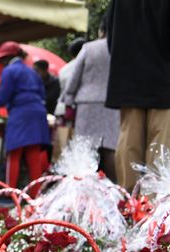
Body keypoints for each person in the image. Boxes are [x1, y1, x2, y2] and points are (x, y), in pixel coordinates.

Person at [106, 0, 170, 190]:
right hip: (164, 79)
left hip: (128, 77)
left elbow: (111, 38)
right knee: (161, 145)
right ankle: (154, 207)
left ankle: (130, 204)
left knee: (129, 143)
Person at [0, 42, 50, 194]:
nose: (2, 64)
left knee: (14, 154)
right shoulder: (33, 72)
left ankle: (9, 194)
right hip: (38, 114)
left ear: (9, 58)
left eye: (3, 60)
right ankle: (35, 197)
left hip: (21, 115)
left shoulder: (10, 71)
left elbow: (2, 98)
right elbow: (42, 95)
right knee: (33, 156)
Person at [62, 15, 119, 181]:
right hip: (113, 104)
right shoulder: (121, 48)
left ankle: (84, 190)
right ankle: (114, 189)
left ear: (101, 30)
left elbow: (74, 77)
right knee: (110, 148)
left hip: (87, 104)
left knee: (85, 148)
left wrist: (68, 99)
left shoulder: (89, 48)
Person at [55, 37, 86, 120]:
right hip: (81, 108)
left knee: (64, 133)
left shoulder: (64, 69)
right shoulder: (89, 67)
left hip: (63, 108)